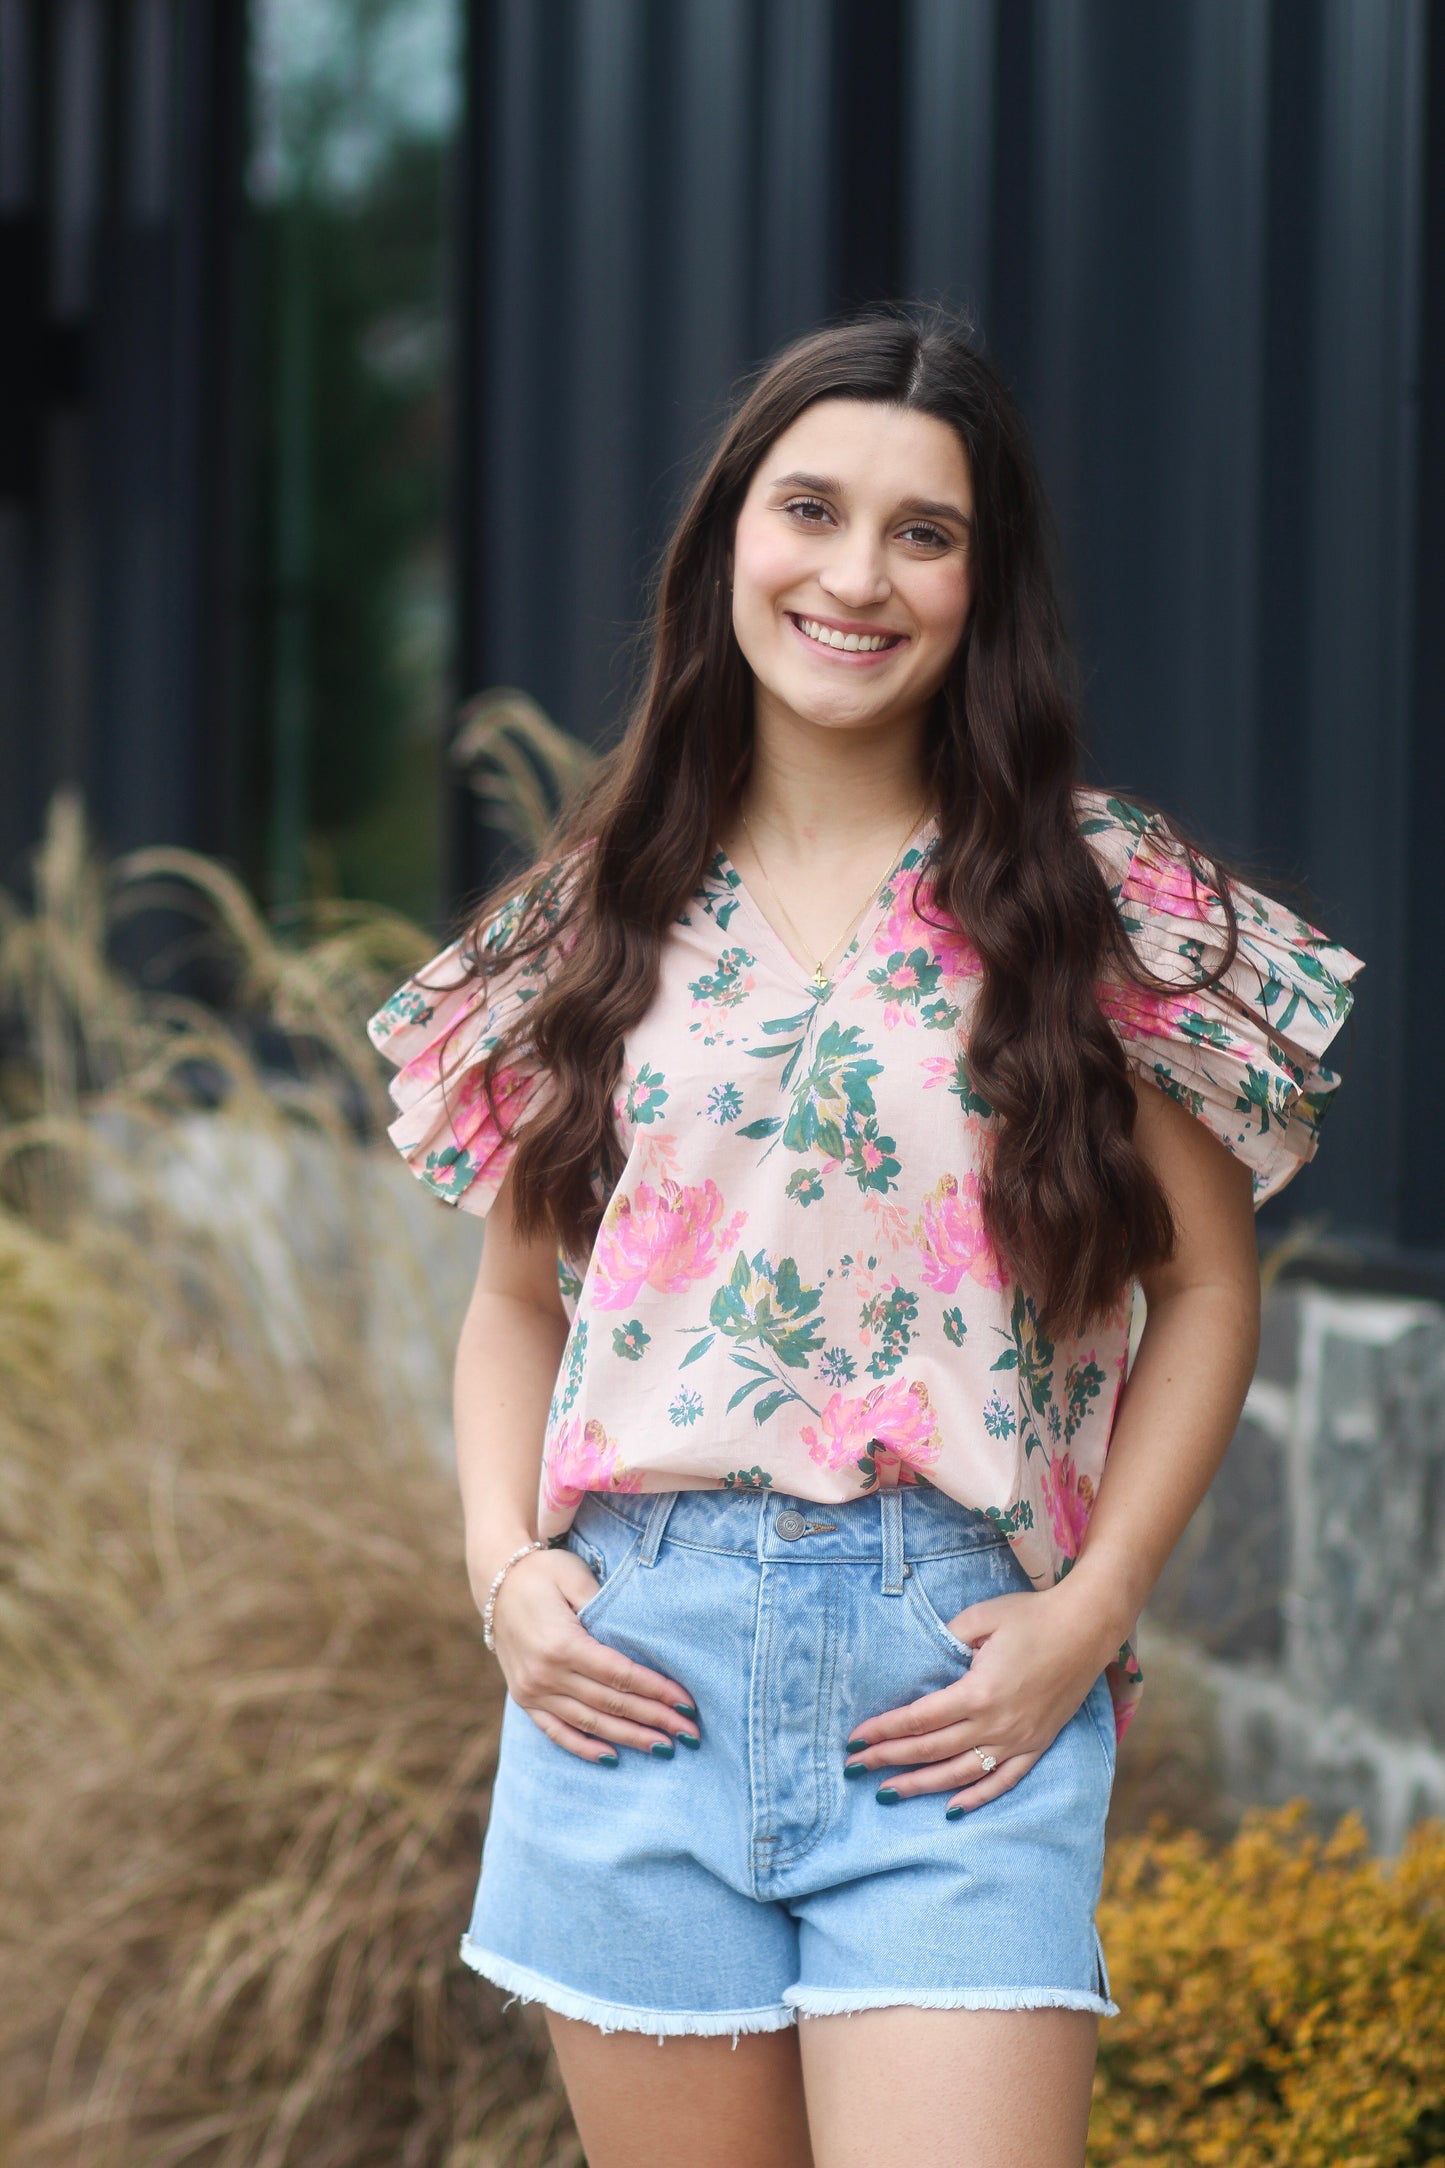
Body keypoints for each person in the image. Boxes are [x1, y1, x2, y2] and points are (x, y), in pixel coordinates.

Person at [366, 306, 1363, 2168]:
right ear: (729, 537)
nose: (854, 574)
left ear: (985, 588)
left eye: (925, 531)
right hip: (628, 1689)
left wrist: (1093, 1607)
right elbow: (515, 1305)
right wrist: (506, 1578)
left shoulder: (1092, 902)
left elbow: (1205, 1286)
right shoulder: (586, 921)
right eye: (809, 509)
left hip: (952, 1684)